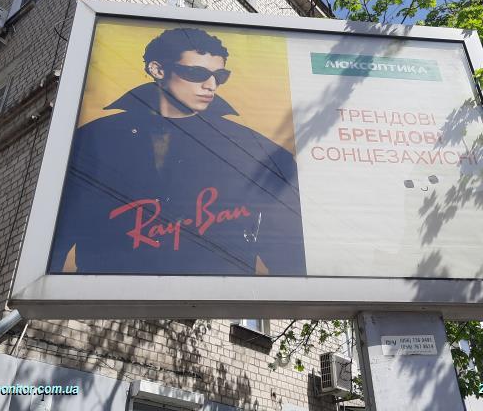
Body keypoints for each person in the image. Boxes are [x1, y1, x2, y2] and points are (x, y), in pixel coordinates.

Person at [48, 28, 306, 276]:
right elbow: (58, 235)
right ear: (158, 70)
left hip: (216, 296)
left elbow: (288, 253)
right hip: (105, 296)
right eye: (196, 73)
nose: (211, 85)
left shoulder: (251, 149)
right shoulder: (95, 137)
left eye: (220, 76)